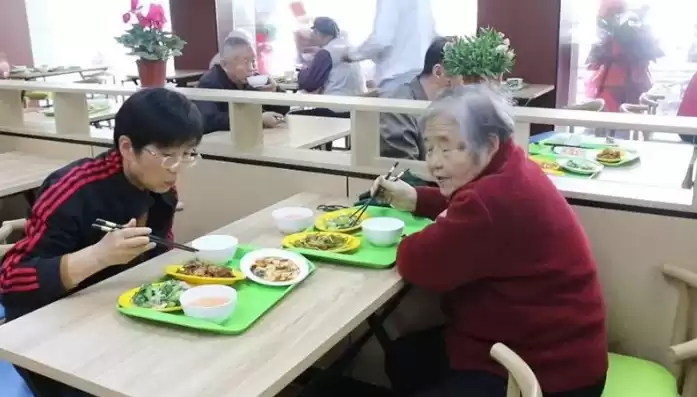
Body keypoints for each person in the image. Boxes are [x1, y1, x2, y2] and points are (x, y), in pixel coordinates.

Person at [372, 85, 608, 397]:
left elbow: (416, 263)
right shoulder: (512, 166)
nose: (434, 163)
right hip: (551, 349)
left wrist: (421, 233)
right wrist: (417, 199)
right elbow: (473, 213)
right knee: (406, 357)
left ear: (489, 143)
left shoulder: (490, 201)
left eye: (447, 148)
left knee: (409, 359)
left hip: (544, 373)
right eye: (429, 149)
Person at [0, 88, 204, 397]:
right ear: (126, 147)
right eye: (166, 155)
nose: (176, 168)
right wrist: (98, 256)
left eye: (187, 153)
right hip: (48, 335)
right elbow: (11, 280)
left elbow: (159, 250)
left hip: (117, 318)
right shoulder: (73, 190)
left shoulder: (162, 190)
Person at [380, 37, 459, 160]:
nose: (465, 83)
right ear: (438, 72)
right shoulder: (401, 105)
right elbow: (404, 167)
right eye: (462, 74)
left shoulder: (447, 102)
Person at [196, 35, 289, 134]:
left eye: (253, 61)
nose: (251, 68)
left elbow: (283, 109)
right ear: (225, 65)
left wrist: (274, 91)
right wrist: (257, 119)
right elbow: (209, 121)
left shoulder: (250, 80)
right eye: (245, 62)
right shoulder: (210, 83)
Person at [341, 0, 436, 95]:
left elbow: (380, 39)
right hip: (423, 79)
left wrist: (352, 55)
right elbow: (431, 35)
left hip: (396, 78)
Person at [292, 17, 364, 118]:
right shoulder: (348, 47)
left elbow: (310, 84)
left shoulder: (326, 53)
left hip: (336, 108)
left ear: (317, 32)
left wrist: (301, 73)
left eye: (313, 33)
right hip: (357, 107)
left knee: (291, 116)